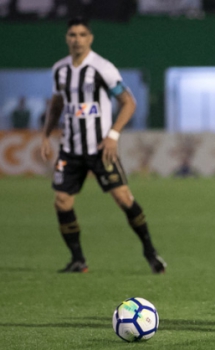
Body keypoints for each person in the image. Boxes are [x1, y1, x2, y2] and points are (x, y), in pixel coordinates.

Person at [40, 17, 166, 274]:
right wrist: (45, 135)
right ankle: (78, 260)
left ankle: (150, 252)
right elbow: (56, 105)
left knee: (123, 198)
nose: (77, 39)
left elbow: (128, 102)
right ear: (67, 38)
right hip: (70, 149)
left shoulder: (102, 67)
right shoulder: (60, 70)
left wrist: (113, 135)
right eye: (72, 34)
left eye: (82, 34)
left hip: (100, 149)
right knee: (61, 201)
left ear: (90, 38)